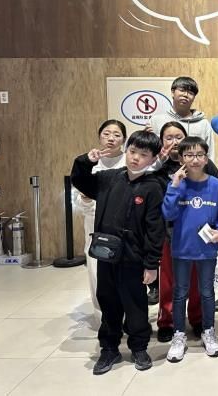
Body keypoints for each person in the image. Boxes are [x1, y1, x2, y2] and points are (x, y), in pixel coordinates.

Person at [71, 131, 165, 375]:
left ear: (153, 158)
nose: (135, 158)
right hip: (106, 254)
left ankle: (139, 347)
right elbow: (80, 180)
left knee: (135, 306)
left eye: (143, 155)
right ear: (126, 150)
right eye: (132, 151)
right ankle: (109, 348)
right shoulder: (108, 178)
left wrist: (151, 264)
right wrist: (86, 161)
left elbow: (155, 229)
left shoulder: (154, 187)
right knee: (108, 303)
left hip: (134, 259)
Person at [162, 136, 218, 361]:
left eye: (200, 154)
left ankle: (208, 331)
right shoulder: (176, 183)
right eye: (189, 155)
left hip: (207, 250)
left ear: (206, 158)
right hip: (181, 249)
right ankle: (178, 334)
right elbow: (168, 214)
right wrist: (175, 186)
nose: (195, 159)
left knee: (207, 292)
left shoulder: (216, 185)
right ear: (181, 159)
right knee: (180, 293)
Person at [153, 122, 218, 342]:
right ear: (161, 141)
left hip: (199, 236)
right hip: (169, 234)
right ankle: (167, 322)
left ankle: (198, 319)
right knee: (170, 283)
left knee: (197, 282)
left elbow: (216, 192)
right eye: (169, 137)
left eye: (178, 137)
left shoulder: (202, 164)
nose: (174, 142)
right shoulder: (158, 167)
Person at [73, 119, 126, 323]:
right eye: (106, 133)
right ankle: (104, 317)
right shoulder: (90, 163)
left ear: (123, 139)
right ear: (99, 136)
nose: (111, 138)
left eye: (117, 135)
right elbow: (80, 202)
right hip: (95, 225)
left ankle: (126, 315)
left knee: (124, 274)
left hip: (123, 226)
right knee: (96, 271)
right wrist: (86, 199)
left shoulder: (129, 161)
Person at [148, 76, 215, 157]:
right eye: (182, 90)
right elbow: (148, 151)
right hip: (163, 165)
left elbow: (209, 154)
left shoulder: (203, 124)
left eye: (191, 93)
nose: (186, 95)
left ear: (194, 98)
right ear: (173, 92)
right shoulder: (156, 121)